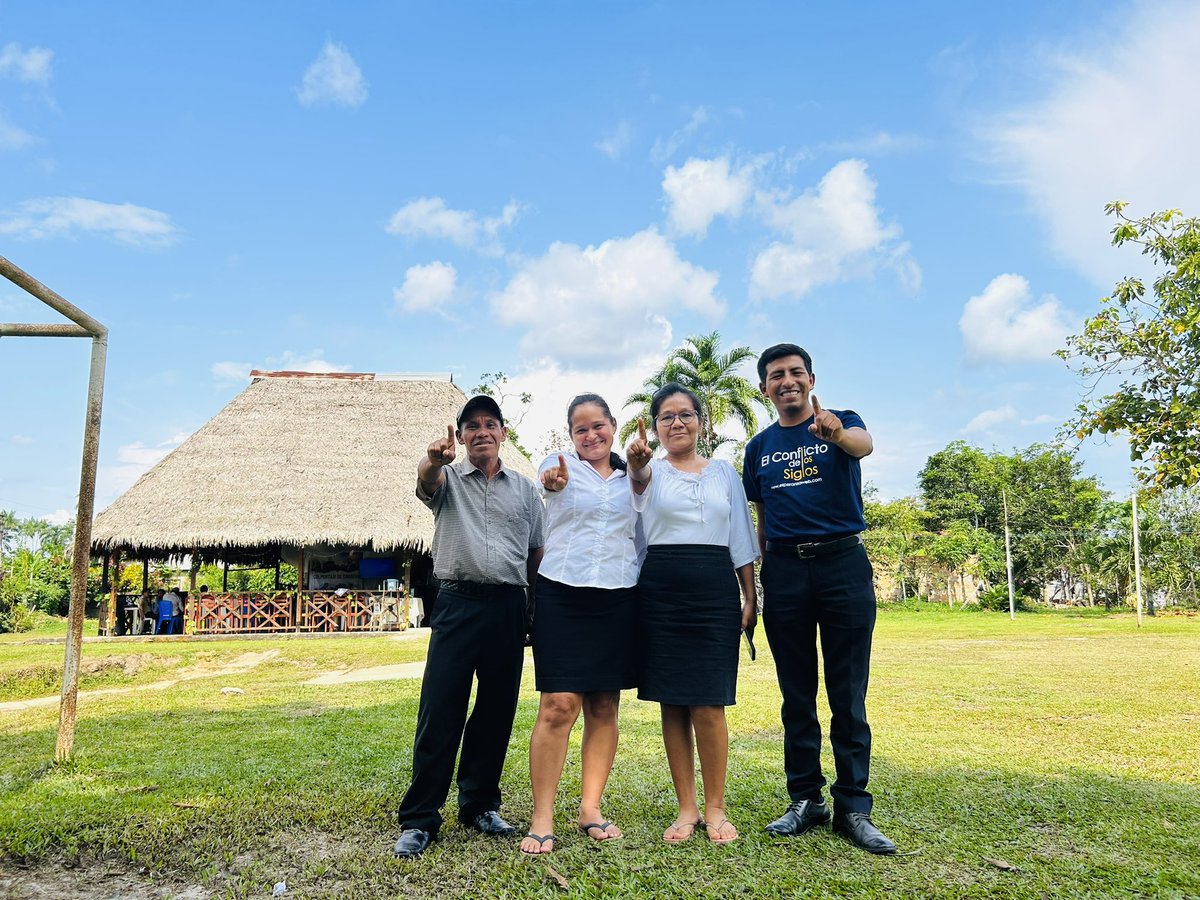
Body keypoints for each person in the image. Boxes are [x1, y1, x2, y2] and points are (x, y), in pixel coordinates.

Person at [741, 343, 896, 854]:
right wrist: (758, 583)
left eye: (795, 372)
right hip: (785, 570)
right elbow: (762, 518)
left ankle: (853, 806)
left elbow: (863, 445)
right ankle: (806, 799)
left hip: (842, 564)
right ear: (764, 388)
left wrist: (836, 434)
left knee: (847, 691)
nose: (787, 381)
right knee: (796, 693)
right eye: (776, 375)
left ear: (811, 379)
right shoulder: (759, 448)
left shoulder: (842, 421)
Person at [393, 395, 546, 860]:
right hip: (457, 602)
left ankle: (479, 805)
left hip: (508, 605)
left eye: (490, 424)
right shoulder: (447, 479)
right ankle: (420, 818)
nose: (482, 432)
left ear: (503, 433)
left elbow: (536, 552)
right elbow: (426, 480)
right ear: (460, 437)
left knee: (496, 711)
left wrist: (533, 611)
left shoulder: (526, 491)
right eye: (472, 426)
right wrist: (431, 460)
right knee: (441, 708)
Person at [627, 383, 758, 845]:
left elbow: (741, 535)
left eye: (685, 414)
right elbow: (637, 487)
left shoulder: (724, 472)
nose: (676, 422)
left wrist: (750, 595)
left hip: (715, 588)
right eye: (666, 416)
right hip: (660, 589)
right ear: (655, 427)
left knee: (709, 701)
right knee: (673, 701)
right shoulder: (648, 471)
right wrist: (637, 464)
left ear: (702, 422)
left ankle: (716, 808)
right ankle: (687, 807)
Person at [519, 394, 641, 856]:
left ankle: (590, 807)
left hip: (618, 595)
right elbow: (547, 482)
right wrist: (551, 481)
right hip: (562, 595)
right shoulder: (560, 465)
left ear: (613, 426)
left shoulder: (635, 476)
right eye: (581, 429)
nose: (591, 435)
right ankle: (542, 816)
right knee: (558, 704)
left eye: (598, 426)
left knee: (605, 705)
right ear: (570, 435)